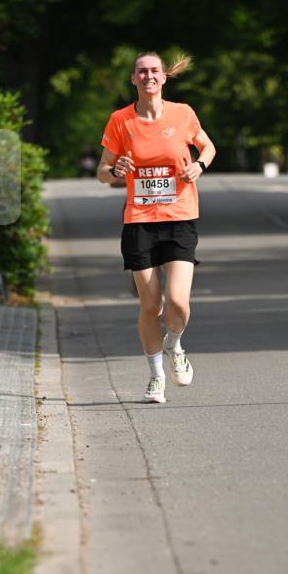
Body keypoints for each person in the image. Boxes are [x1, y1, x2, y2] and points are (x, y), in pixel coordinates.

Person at [98, 52, 216, 403]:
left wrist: (199, 165)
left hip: (180, 217)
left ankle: (175, 344)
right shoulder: (121, 120)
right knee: (150, 305)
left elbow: (208, 146)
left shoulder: (183, 114)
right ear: (133, 79)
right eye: (141, 72)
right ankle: (155, 377)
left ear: (164, 77)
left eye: (154, 71)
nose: (148, 76)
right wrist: (116, 170)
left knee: (177, 302)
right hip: (140, 222)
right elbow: (102, 172)